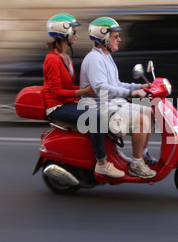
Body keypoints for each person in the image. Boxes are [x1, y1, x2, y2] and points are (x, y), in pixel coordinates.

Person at [43, 13, 125, 178]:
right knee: (95, 117)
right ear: (63, 34)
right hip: (57, 108)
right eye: (73, 31)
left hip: (69, 103)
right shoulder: (52, 59)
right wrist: (84, 92)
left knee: (106, 110)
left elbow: (68, 87)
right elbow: (57, 92)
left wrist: (86, 89)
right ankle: (102, 163)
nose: (76, 35)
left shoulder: (65, 57)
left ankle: (113, 155)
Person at [80, 17, 157, 179]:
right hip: (99, 108)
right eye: (115, 36)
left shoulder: (105, 56)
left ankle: (143, 155)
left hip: (113, 103)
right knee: (142, 119)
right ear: (103, 37)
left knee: (149, 111)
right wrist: (131, 94)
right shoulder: (94, 59)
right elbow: (102, 88)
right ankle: (136, 164)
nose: (119, 39)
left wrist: (139, 87)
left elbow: (116, 83)